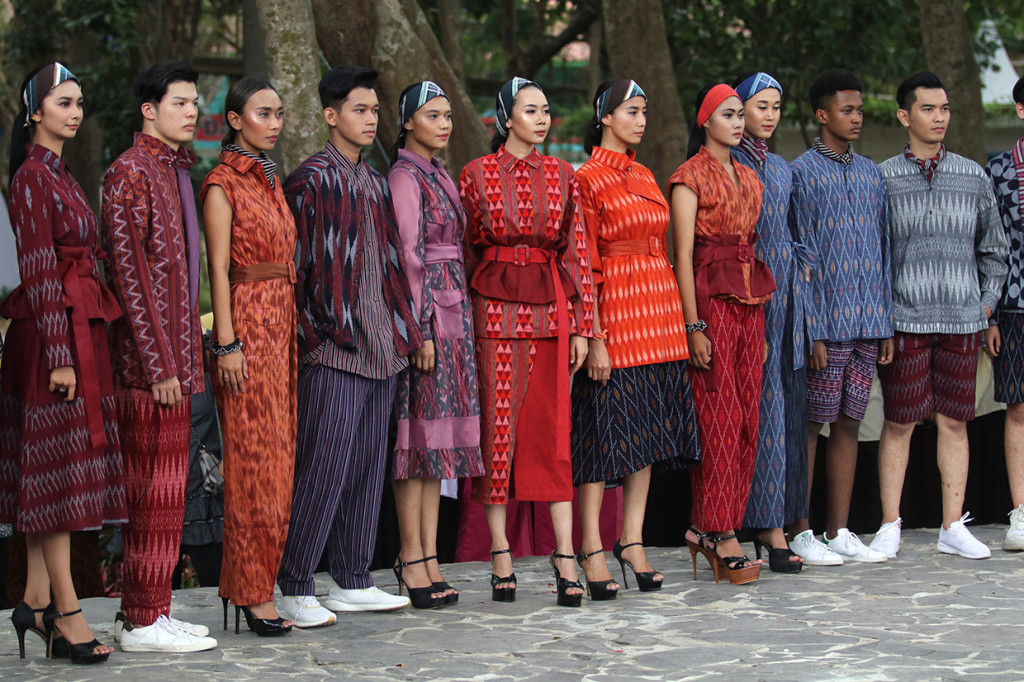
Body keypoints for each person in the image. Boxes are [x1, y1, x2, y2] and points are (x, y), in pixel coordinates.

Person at [277, 65, 419, 624]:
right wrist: (310, 339)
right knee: (323, 467)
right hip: (332, 350)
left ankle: (353, 578)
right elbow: (291, 270)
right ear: (331, 114)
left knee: (366, 468)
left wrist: (405, 335)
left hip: (380, 348)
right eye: (359, 110)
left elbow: (391, 267)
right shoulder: (309, 179)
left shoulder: (376, 181)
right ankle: (294, 582)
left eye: (375, 111)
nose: (369, 119)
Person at [0, 62, 123, 665]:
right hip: (52, 344)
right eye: (63, 101)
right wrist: (60, 356)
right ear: (35, 111)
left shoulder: (62, 174)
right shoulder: (29, 177)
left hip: (77, 333)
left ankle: (37, 600)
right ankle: (65, 611)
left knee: (60, 476)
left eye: (79, 102)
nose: (75, 111)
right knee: (52, 481)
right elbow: (38, 269)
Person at [459, 77, 594, 607]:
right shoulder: (475, 174)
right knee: (497, 435)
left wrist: (585, 324)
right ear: (505, 118)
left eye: (545, 111)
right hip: (490, 313)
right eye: (530, 110)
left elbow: (575, 251)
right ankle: (500, 552)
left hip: (550, 315)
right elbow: (466, 248)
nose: (541, 119)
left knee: (550, 435)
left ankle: (565, 554)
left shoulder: (564, 176)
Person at [101, 60, 217, 652]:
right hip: (150, 370)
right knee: (153, 490)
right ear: (149, 109)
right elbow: (129, 276)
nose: (191, 111)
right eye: (180, 102)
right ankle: (143, 620)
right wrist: (160, 366)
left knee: (170, 493)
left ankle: (150, 611)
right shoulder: (130, 173)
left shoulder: (173, 170)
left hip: (178, 359)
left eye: (195, 102)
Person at [570, 78, 701, 598]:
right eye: (631, 110)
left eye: (645, 110)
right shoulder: (585, 178)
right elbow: (583, 263)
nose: (641, 120)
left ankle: (632, 539)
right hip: (617, 320)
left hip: (659, 318)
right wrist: (595, 336)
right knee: (602, 441)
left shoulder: (646, 173)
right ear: (605, 116)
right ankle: (590, 546)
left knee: (645, 437)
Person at [870, 71, 1008, 560]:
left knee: (955, 422)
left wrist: (986, 306)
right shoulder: (881, 178)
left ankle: (953, 524)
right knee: (899, 423)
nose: (940, 117)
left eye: (945, 108)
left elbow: (995, 250)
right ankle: (890, 525)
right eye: (928, 109)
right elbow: (874, 255)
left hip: (961, 323)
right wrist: (880, 318)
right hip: (904, 320)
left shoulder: (974, 176)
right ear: (905, 116)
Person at [201, 77, 296, 635]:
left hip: (283, 331)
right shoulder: (221, 184)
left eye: (280, 113)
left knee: (280, 463)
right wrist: (228, 343)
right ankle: (250, 589)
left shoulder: (269, 178)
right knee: (252, 462)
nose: (276, 122)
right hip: (248, 329)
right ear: (236, 119)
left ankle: (263, 580)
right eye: (264, 113)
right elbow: (218, 270)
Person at [670, 83, 774, 585]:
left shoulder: (752, 178)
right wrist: (693, 326)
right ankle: (716, 529)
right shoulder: (688, 177)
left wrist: (764, 325)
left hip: (752, 306)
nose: (737, 122)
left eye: (740, 115)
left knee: (748, 417)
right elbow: (683, 258)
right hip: (711, 308)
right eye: (727, 115)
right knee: (719, 418)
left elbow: (752, 247)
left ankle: (720, 524)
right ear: (705, 121)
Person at [786, 69, 892, 566]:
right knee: (812, 425)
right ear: (822, 114)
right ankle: (800, 530)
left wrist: (884, 321)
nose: (856, 118)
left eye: (860, 110)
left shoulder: (873, 173)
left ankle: (840, 530)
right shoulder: (799, 174)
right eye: (847, 110)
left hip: (867, 322)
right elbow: (798, 258)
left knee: (850, 424)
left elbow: (883, 250)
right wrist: (810, 327)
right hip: (825, 328)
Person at [387, 81, 484, 609]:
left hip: (454, 315)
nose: (444, 124)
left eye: (448, 115)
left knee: (435, 446)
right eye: (433, 115)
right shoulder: (404, 177)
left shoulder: (439, 174)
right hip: (427, 321)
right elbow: (406, 254)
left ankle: (428, 555)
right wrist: (416, 330)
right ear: (408, 123)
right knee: (414, 441)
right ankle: (410, 553)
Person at [730, 72, 811, 573]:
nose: (768, 115)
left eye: (776, 106)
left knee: (786, 414)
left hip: (788, 304)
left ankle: (785, 521)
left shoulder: (781, 168)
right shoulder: (730, 165)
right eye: (758, 106)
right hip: (747, 299)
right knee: (759, 413)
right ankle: (763, 525)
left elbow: (794, 232)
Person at [984, 74, 1024, 552]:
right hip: (1015, 304)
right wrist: (989, 312)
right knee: (1018, 409)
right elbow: (992, 248)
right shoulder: (998, 170)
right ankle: (1020, 512)